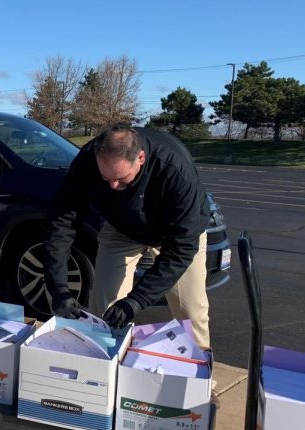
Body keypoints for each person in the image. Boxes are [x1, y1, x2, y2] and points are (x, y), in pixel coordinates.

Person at [42, 124, 212, 348]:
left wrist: (136, 301)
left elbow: (181, 248)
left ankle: (198, 373)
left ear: (140, 158)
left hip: (176, 234)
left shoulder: (175, 169)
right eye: (105, 178)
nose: (112, 185)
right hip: (121, 226)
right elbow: (62, 223)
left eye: (121, 178)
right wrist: (58, 289)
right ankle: (102, 367)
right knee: (104, 304)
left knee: (190, 311)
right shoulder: (87, 162)